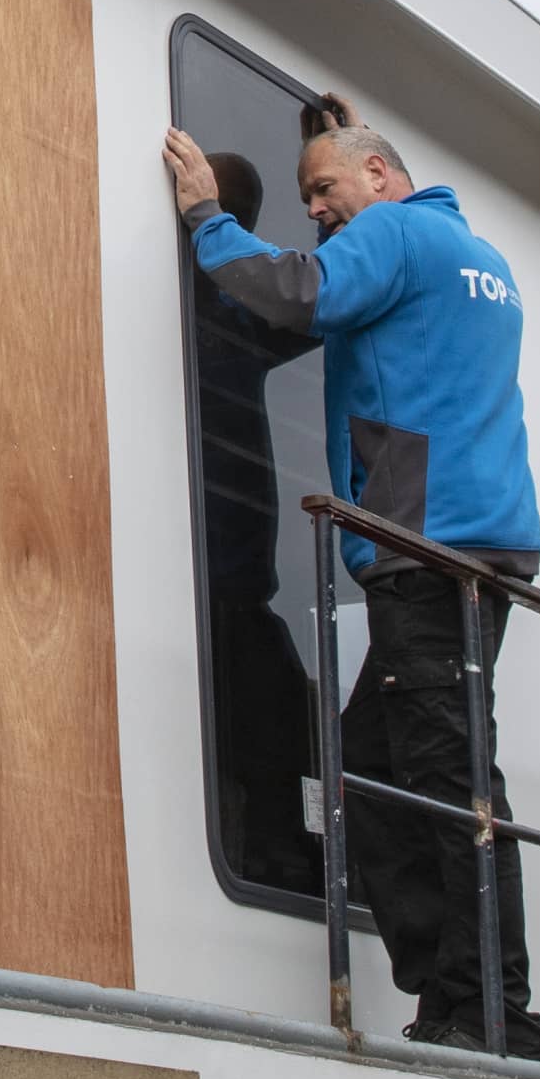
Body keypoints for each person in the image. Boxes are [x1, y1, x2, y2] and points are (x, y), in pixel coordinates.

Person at [160, 99, 540, 1057]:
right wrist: (335, 140)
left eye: (323, 189)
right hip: (471, 553)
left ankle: (496, 1013)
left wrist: (211, 219)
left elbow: (299, 293)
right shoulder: (478, 260)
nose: (318, 210)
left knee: (451, 779)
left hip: (426, 555)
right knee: (372, 769)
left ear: (380, 177)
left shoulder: (397, 236)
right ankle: (451, 995)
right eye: (303, 196)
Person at [187, 150, 324, 896]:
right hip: (227, 586)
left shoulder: (222, 306)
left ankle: (285, 859)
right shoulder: (224, 311)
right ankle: (285, 861)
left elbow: (322, 296)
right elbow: (319, 298)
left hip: (229, 591)